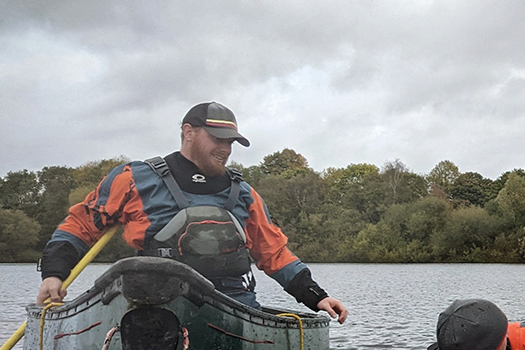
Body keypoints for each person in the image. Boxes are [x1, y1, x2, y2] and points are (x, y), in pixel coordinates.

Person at [35, 101, 348, 323]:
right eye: (217, 139)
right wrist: (53, 273)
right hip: (154, 307)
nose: (225, 148)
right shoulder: (134, 179)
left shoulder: (245, 194)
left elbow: (275, 253)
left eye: (231, 142)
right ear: (188, 132)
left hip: (233, 309)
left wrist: (316, 297)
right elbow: (80, 225)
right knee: (151, 327)